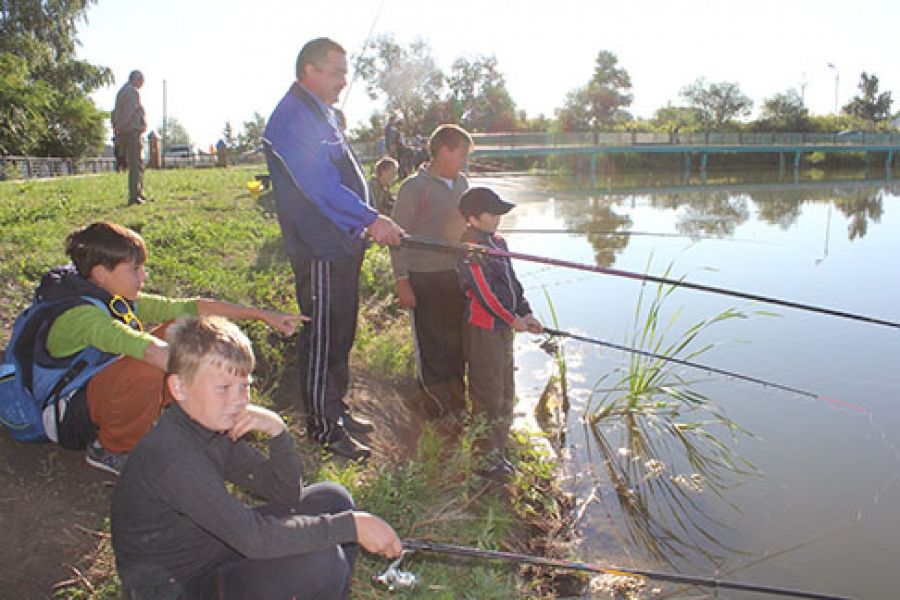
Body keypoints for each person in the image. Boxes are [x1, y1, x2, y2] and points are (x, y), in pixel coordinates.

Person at [111, 315, 401, 599]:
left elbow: (284, 494)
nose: (238, 400)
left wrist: (278, 433)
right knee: (322, 561)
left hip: (216, 549)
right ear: (179, 388)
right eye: (223, 388)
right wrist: (351, 526)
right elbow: (254, 539)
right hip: (180, 586)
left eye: (244, 386)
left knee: (333, 498)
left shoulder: (211, 427)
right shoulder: (175, 458)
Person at [9, 221, 301, 476]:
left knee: (183, 326)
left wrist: (262, 315)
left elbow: (191, 307)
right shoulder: (78, 315)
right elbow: (146, 349)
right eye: (134, 269)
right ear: (100, 274)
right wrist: (218, 387)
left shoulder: (110, 296)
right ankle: (111, 450)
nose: (143, 276)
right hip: (66, 417)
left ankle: (187, 416)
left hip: (96, 393)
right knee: (148, 362)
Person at [264, 37, 404, 460]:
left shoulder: (322, 113)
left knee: (341, 332)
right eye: (337, 71)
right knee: (323, 336)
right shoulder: (292, 117)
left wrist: (363, 222)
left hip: (342, 242)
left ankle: (336, 409)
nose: (345, 80)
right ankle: (323, 428)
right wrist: (371, 219)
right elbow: (319, 186)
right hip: (319, 247)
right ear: (309, 70)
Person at [457, 187, 543, 481]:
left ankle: (499, 451)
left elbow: (513, 284)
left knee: (507, 392)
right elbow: (484, 293)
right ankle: (483, 461)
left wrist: (526, 312)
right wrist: (511, 319)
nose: (497, 218)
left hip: (505, 329)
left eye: (499, 213)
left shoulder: (498, 241)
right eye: (491, 214)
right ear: (472, 218)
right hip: (485, 331)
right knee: (487, 395)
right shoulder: (470, 247)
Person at [390, 124, 473, 418]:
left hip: (458, 276)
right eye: (461, 154)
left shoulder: (463, 183)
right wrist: (402, 281)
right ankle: (436, 408)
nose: (464, 161)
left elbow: (468, 227)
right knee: (432, 343)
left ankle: (458, 403)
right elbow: (397, 239)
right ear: (443, 150)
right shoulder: (413, 188)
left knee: (458, 342)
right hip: (424, 278)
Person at [112, 70, 148, 205]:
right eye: (142, 81)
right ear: (136, 79)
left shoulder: (122, 92)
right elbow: (131, 112)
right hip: (131, 132)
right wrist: (138, 125)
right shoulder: (132, 91)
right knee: (136, 165)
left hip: (124, 132)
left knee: (135, 164)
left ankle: (139, 193)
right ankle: (135, 196)